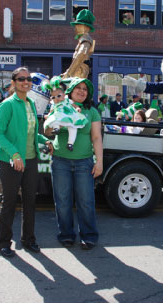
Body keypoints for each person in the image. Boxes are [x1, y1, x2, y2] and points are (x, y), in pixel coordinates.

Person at [0, 66, 53, 258]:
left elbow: (32, 134)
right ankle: (3, 243)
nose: (26, 82)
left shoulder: (31, 105)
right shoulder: (7, 104)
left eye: (28, 79)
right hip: (11, 161)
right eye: (21, 79)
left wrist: (46, 141)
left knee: (30, 201)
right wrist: (15, 155)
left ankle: (29, 239)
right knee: (9, 202)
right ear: (14, 83)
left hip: (31, 159)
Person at [44, 77, 103, 250]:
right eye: (79, 88)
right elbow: (47, 130)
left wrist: (99, 161)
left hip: (84, 162)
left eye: (85, 89)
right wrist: (54, 126)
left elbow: (96, 137)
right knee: (62, 201)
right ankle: (66, 234)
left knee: (86, 201)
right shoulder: (59, 104)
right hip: (60, 161)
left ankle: (89, 235)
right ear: (70, 90)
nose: (82, 91)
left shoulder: (91, 111)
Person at [42, 78, 88, 151]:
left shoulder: (67, 100)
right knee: (55, 120)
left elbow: (74, 105)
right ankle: (56, 129)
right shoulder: (54, 104)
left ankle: (70, 143)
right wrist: (49, 115)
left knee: (73, 128)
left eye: (59, 95)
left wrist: (77, 108)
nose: (57, 98)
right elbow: (51, 112)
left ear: (64, 94)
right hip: (59, 117)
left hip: (70, 117)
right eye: (54, 97)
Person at [63, 9, 95, 80]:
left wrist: (69, 73)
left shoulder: (86, 38)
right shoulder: (84, 39)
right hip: (78, 69)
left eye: (78, 25)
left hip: (79, 71)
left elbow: (82, 53)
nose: (75, 28)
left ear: (84, 26)